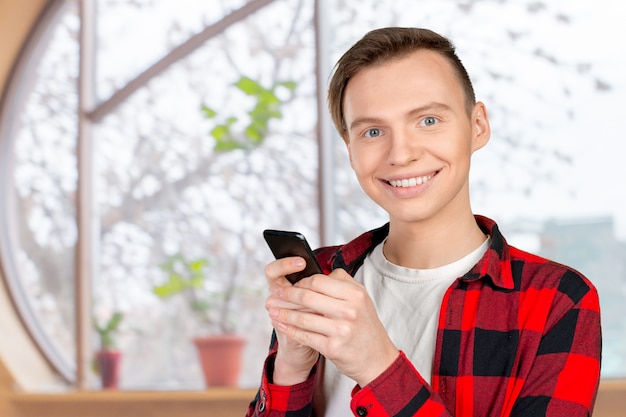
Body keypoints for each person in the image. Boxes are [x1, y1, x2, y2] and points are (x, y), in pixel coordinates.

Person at [246, 27, 601, 417]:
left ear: (477, 125)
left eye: (428, 120)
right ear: (350, 150)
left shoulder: (557, 301)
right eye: (374, 131)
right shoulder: (327, 279)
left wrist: (377, 366)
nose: (401, 154)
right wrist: (292, 367)